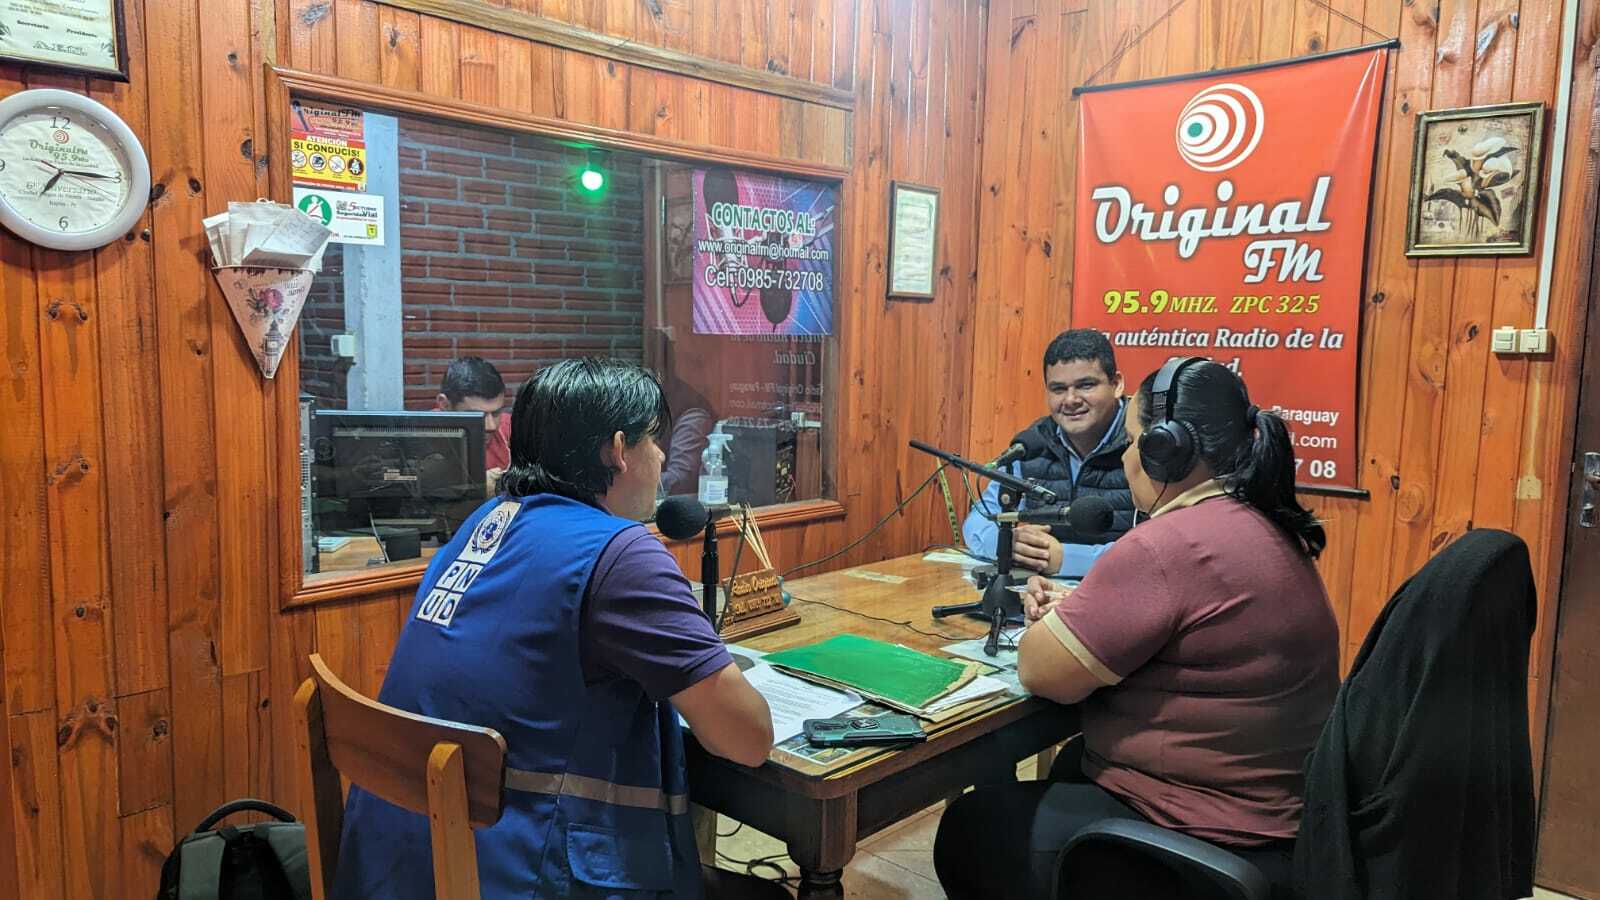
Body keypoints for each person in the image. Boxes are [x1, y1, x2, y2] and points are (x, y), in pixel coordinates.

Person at [334, 358, 778, 899]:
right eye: (653, 440)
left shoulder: (486, 522)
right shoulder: (621, 553)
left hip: (394, 869)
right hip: (513, 874)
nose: (662, 458)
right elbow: (748, 739)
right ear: (619, 449)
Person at [934, 357, 1340, 900]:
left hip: (1199, 838)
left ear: (1165, 450)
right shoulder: (1267, 524)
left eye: (1132, 442)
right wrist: (1088, 612)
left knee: (973, 826)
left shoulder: (1168, 544)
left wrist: (1054, 624)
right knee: (1071, 762)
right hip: (1275, 828)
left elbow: (1041, 671)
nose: (1127, 457)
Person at [960, 329, 1135, 578]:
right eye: (1058, 389)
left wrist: (1065, 559)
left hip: (1126, 591)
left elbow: (1163, 548)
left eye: (1086, 385)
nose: (1071, 400)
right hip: (1042, 593)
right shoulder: (1032, 444)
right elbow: (980, 519)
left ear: (1116, 385)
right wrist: (1006, 544)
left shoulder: (1143, 442)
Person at [432, 356, 511, 491]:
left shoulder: (510, 428)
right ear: (445, 405)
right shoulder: (421, 439)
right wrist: (477, 490)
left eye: (496, 413)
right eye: (477, 415)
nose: (491, 426)